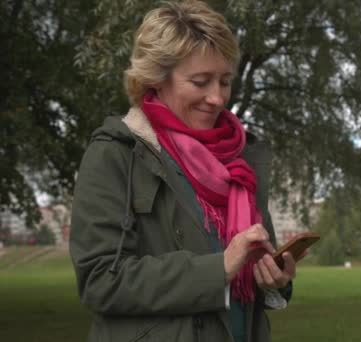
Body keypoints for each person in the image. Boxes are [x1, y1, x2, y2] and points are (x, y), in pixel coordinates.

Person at [69, 1, 296, 341]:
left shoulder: (241, 160)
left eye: (224, 81)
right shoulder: (115, 154)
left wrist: (275, 281)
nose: (217, 98)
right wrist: (218, 268)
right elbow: (101, 280)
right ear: (156, 80)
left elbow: (251, 284)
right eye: (201, 81)